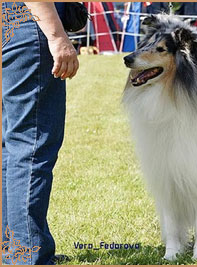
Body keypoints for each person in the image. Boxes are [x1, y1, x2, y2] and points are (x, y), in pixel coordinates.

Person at [2, 2, 79, 265]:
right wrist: (57, 36)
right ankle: (28, 256)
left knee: (9, 147)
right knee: (30, 146)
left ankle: (11, 249)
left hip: (8, 23)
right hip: (29, 23)